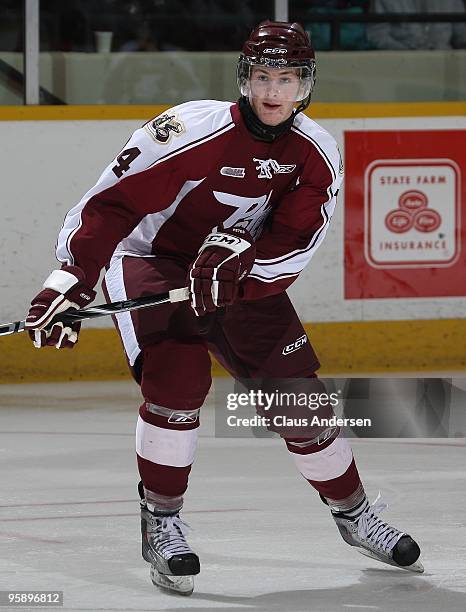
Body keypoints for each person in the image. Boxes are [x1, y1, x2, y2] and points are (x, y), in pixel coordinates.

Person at [24, 21, 423, 597]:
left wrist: (242, 270)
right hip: (155, 260)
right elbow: (110, 207)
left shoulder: (315, 152)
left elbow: (296, 243)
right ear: (245, 78)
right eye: (262, 76)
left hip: (242, 278)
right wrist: (73, 276)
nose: (272, 92)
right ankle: (161, 521)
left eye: (287, 79)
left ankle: (355, 514)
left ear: (305, 86)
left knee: (300, 402)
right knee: (177, 384)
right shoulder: (188, 128)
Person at [367, 0, 466, 50]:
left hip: (444, 61)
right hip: (403, 64)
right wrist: (407, 55)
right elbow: (377, 35)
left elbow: (462, 34)